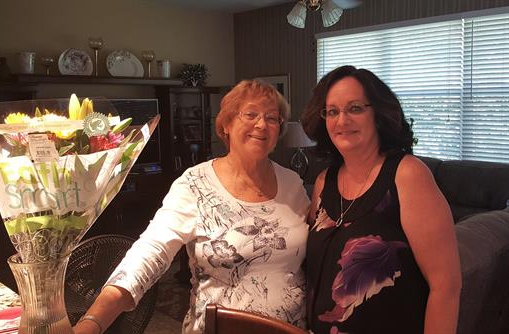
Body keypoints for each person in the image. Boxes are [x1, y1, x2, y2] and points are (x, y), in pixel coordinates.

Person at [74, 79, 310, 334]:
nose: (262, 124)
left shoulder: (292, 184)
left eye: (272, 118)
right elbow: (151, 252)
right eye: (250, 114)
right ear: (227, 124)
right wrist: (94, 321)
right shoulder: (195, 184)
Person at [300, 65, 461, 334]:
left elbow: (446, 286)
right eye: (332, 111)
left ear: (377, 113)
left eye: (355, 108)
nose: (342, 121)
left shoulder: (407, 175)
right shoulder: (322, 182)